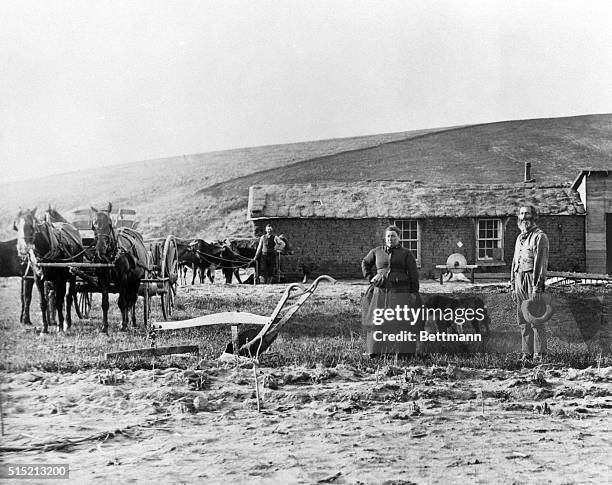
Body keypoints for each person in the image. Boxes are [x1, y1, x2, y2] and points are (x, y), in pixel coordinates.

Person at [361, 225, 422, 355]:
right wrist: (370, 278)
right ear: (385, 238)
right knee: (378, 320)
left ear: (399, 238)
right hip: (380, 292)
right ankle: (376, 351)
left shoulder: (406, 253)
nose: (390, 238)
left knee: (400, 321)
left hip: (400, 291)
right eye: (388, 236)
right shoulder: (376, 251)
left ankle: (402, 352)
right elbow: (365, 263)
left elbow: (413, 274)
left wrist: (413, 292)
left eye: (393, 236)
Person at [511, 205, 550, 362]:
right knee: (522, 319)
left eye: (527, 213)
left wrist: (537, 287)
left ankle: (540, 355)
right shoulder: (519, 238)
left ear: (534, 216)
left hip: (531, 280)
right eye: (521, 214)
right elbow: (514, 263)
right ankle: (526, 354)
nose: (524, 216)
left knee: (535, 318)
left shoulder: (540, 237)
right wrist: (513, 285)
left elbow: (540, 265)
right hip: (519, 280)